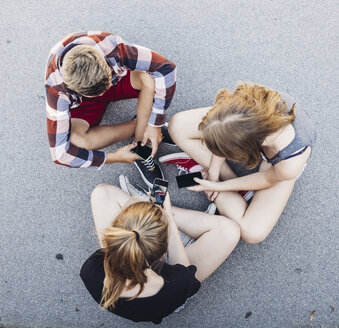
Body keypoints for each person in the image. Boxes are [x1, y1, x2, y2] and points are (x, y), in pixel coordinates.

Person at [160, 83, 316, 244]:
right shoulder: (247, 104)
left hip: (274, 167)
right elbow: (226, 128)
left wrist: (218, 187)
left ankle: (216, 176)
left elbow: (267, 179)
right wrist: (213, 173)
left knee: (252, 232)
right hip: (246, 127)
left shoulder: (289, 164)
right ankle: (219, 174)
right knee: (177, 126)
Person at [80, 183, 240, 324]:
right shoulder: (177, 285)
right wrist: (169, 217)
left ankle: (148, 214)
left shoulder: (90, 269)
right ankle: (156, 211)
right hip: (173, 290)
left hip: (150, 273)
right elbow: (185, 270)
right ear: (163, 254)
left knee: (102, 193)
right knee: (230, 231)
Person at [45, 31, 176, 187]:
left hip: (114, 79)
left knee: (149, 79)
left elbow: (167, 69)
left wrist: (156, 123)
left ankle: (143, 142)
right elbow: (60, 154)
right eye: (99, 91)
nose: (104, 92)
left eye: (105, 85)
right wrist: (114, 156)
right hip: (85, 102)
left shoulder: (111, 46)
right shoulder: (56, 90)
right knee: (77, 141)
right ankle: (143, 126)